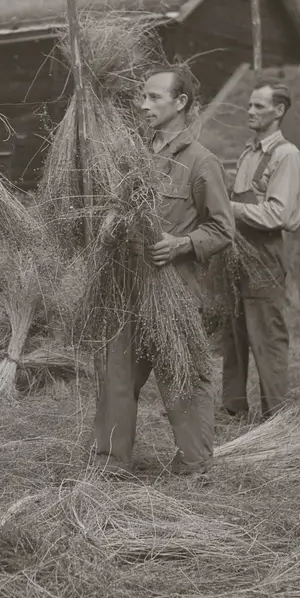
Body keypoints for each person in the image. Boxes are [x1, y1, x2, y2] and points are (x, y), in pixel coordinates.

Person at [89, 64, 235, 478]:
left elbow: (223, 229)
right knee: (117, 373)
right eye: (143, 96)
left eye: (154, 97)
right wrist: (110, 223)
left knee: (181, 375)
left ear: (181, 102)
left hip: (175, 288)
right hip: (127, 286)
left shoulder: (202, 162)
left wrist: (181, 244)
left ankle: (195, 464)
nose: (143, 105)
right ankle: (111, 464)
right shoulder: (134, 158)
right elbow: (118, 209)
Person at [220, 81, 300, 421]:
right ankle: (233, 409)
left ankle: (275, 417)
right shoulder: (249, 152)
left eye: (259, 106)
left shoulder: (287, 156)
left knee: (266, 334)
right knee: (234, 331)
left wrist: (227, 208)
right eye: (249, 105)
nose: (250, 112)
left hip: (264, 253)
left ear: (279, 110)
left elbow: (277, 215)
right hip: (236, 248)